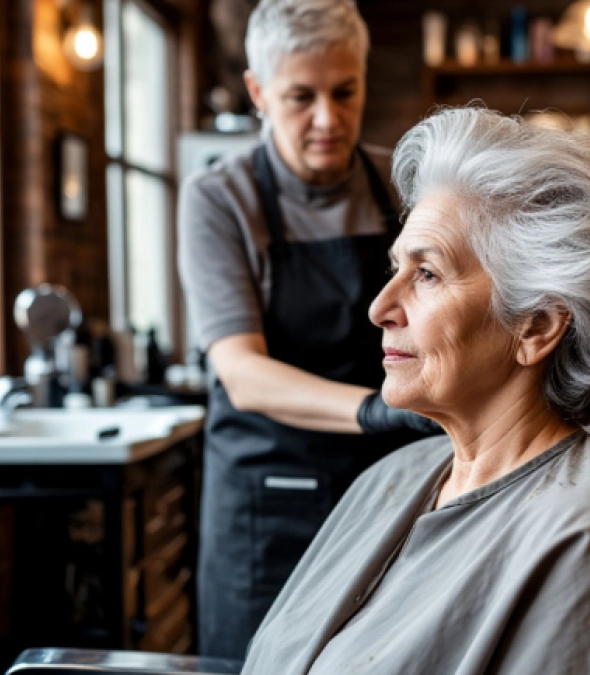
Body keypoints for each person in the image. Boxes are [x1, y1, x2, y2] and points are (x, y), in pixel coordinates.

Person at [240, 107, 590, 674]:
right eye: (396, 268)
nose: (380, 309)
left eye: (428, 274)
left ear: (536, 326)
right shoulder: (395, 477)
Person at [177, 0, 437, 660]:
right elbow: (243, 372)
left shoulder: (404, 188)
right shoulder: (219, 200)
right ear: (258, 93)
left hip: (389, 487)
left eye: (344, 92)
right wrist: (377, 410)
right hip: (267, 506)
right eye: (301, 97)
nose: (328, 119)